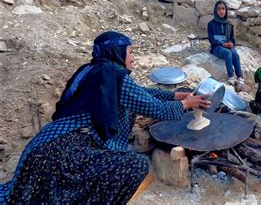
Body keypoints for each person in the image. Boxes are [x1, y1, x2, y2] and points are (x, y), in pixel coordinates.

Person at [0, 31, 210, 204]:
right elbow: (153, 107)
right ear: (116, 52)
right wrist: (185, 104)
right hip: (66, 150)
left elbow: (139, 93)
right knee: (135, 166)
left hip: (48, 141)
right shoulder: (113, 75)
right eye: (130, 52)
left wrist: (175, 95)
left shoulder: (96, 69)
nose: (133, 58)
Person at [207, 0, 244, 87]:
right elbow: (211, 39)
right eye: (219, 9)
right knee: (228, 53)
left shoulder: (229, 24)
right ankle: (230, 76)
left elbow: (232, 39)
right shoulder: (211, 24)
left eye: (223, 9)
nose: (221, 11)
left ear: (226, 10)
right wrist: (222, 44)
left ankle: (239, 77)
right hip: (216, 47)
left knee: (235, 54)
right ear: (216, 10)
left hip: (227, 46)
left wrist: (231, 43)